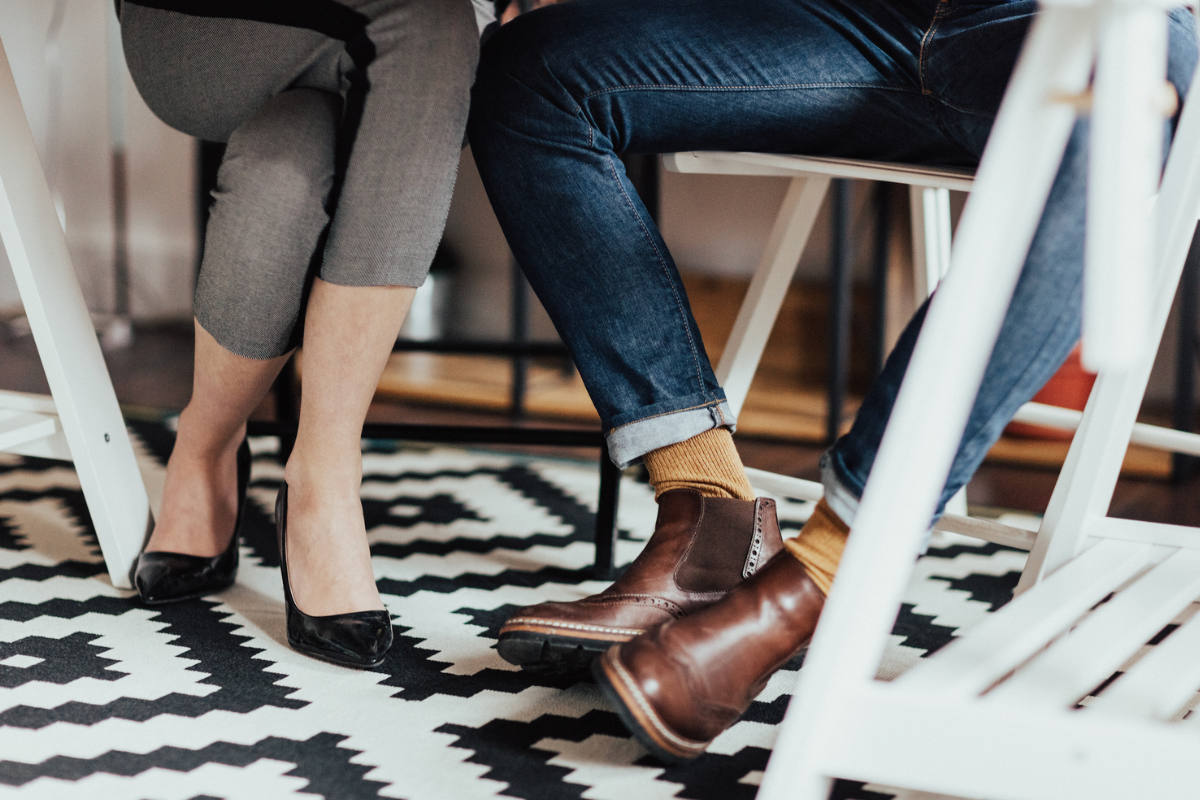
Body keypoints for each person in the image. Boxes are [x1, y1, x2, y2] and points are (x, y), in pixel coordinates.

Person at [467, 0, 1199, 761]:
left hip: (1062, 26)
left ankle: (821, 575)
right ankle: (709, 515)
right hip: (856, 21)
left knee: (1114, 106)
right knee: (534, 71)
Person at [118, 0, 482, 669]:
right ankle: (323, 475)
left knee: (288, 155)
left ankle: (206, 449)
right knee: (430, 24)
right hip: (194, 27)